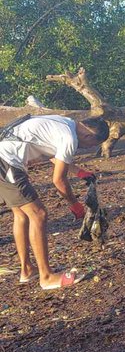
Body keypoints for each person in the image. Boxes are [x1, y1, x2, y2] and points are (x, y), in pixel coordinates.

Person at [0, 113, 110, 290]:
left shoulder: (64, 123)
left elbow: (53, 152)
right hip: (6, 162)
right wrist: (75, 205)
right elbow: (58, 180)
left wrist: (80, 172)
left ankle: (27, 270)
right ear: (89, 136)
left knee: (21, 215)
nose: (86, 148)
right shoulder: (69, 137)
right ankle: (47, 277)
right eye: (92, 145)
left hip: (5, 158)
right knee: (38, 214)